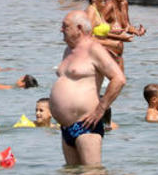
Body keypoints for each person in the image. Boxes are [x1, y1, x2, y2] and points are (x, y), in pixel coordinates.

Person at [49, 11, 127, 166]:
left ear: (79, 28)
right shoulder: (68, 50)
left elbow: (119, 79)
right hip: (66, 127)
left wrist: (101, 109)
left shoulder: (94, 49)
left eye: (65, 26)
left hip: (86, 125)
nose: (61, 30)